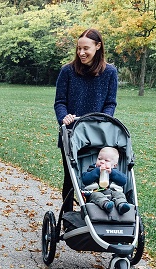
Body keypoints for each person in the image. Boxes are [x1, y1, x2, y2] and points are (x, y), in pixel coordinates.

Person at [54, 28, 118, 212]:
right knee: (71, 177)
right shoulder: (67, 71)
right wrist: (63, 118)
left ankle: (94, 213)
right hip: (72, 133)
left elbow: (110, 103)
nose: (81, 53)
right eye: (78, 48)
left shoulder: (110, 72)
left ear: (98, 46)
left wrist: (103, 120)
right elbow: (60, 102)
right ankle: (67, 215)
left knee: (98, 174)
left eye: (86, 48)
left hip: (99, 134)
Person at [81, 146, 131, 215]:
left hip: (112, 194)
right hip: (96, 193)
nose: (102, 162)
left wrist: (112, 173)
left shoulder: (115, 173)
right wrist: (97, 171)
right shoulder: (92, 170)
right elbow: (85, 180)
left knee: (120, 194)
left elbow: (123, 181)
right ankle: (106, 205)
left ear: (114, 165)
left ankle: (121, 205)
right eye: (99, 159)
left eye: (106, 160)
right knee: (96, 195)